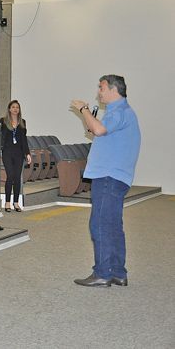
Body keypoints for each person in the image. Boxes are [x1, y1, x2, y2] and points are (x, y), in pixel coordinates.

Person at [70, 75, 140, 288]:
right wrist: (88, 118)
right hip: (116, 176)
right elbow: (95, 130)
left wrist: (82, 109)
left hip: (109, 176)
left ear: (113, 89)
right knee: (112, 225)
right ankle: (118, 272)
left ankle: (102, 273)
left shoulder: (119, 111)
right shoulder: (121, 113)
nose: (98, 92)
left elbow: (98, 130)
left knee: (99, 223)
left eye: (101, 88)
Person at [0, 100, 32, 212]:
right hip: (7, 151)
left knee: (17, 177)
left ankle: (16, 203)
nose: (15, 109)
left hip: (19, 153)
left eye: (17, 107)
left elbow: (24, 140)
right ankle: (7, 203)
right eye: (13, 107)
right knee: (10, 176)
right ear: (9, 109)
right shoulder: (3, 121)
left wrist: (27, 153)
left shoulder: (23, 122)